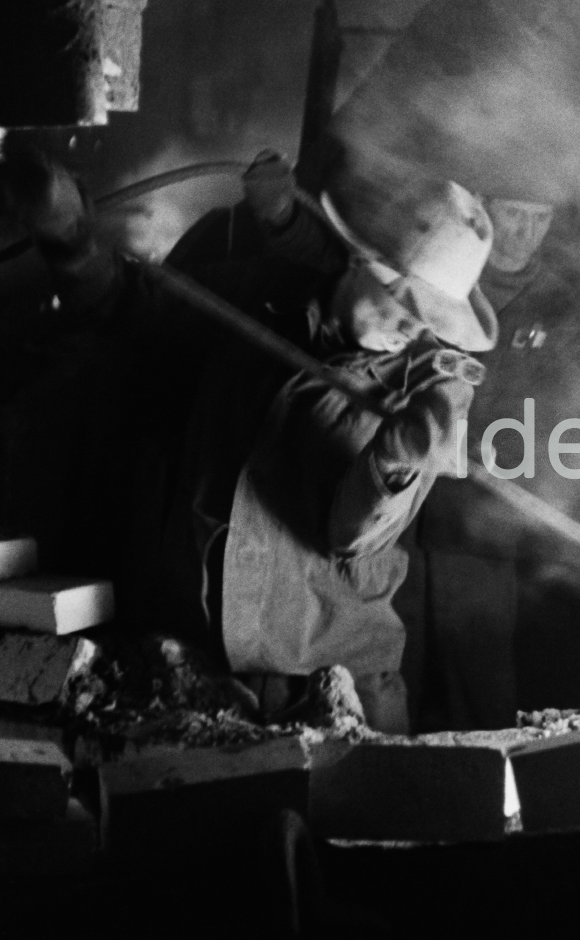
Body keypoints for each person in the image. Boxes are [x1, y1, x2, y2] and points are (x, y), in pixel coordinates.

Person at [1, 143, 501, 733]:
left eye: (430, 317)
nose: (413, 326)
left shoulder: (431, 391)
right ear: (359, 261)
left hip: (329, 693)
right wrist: (72, 242)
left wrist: (402, 456)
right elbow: (126, 308)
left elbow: (352, 534)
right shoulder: (260, 298)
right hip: (185, 674)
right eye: (403, 302)